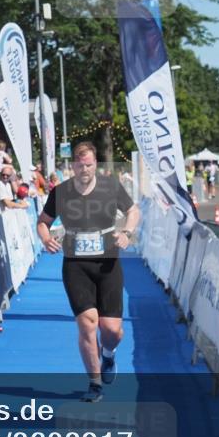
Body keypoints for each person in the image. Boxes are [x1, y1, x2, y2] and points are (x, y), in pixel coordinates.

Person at [37, 141, 140, 403]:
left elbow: (132, 211)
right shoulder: (61, 192)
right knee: (87, 323)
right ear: (73, 165)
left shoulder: (111, 187)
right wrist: (45, 238)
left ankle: (108, 353)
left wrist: (127, 233)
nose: (85, 169)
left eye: (90, 164)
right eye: (80, 165)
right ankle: (94, 383)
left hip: (108, 263)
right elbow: (43, 222)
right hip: (75, 264)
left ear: (96, 164)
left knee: (112, 330)